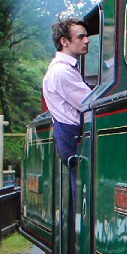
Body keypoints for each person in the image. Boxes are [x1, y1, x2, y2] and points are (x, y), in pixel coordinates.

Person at [43, 17, 93, 162]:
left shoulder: (64, 69)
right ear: (64, 41)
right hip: (73, 139)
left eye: (86, 36)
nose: (87, 40)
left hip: (71, 137)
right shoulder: (62, 72)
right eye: (80, 37)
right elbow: (89, 103)